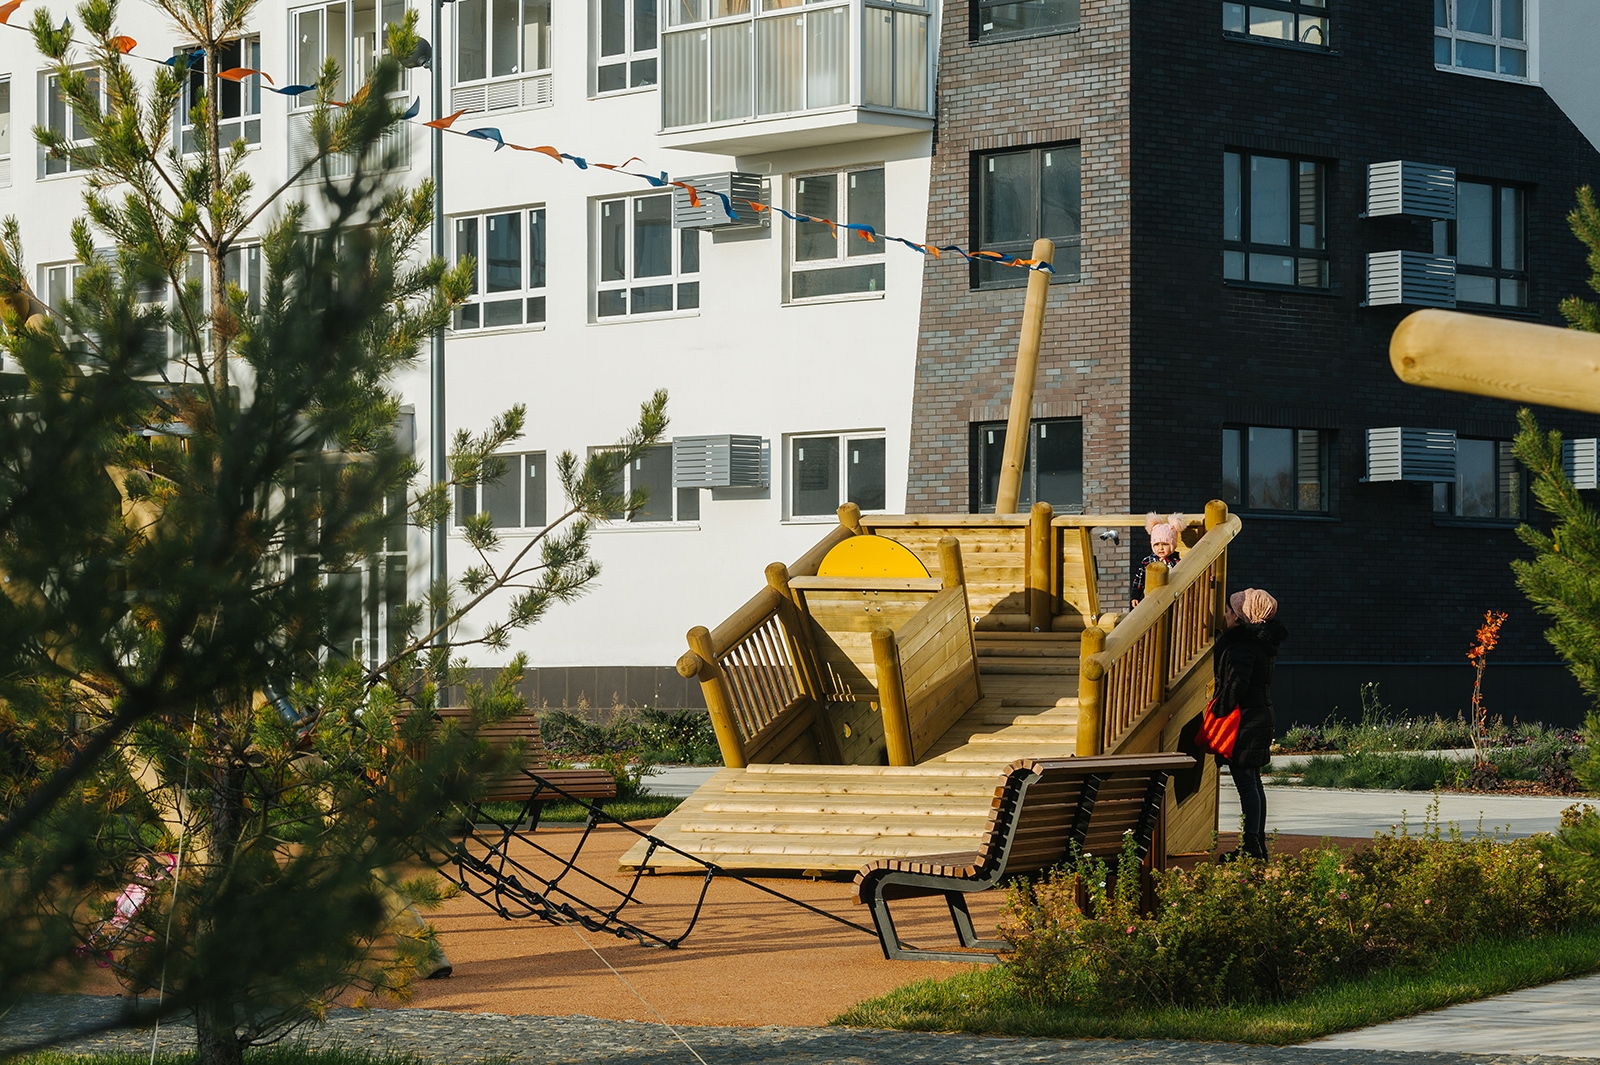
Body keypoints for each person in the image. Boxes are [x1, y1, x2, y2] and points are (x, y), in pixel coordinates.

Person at [1214, 587, 1286, 862]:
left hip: (1246, 720)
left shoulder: (1243, 646)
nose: (1225, 615)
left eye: (1229, 611)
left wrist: (1218, 709)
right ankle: (1256, 845)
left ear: (1240, 616)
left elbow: (1237, 684)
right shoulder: (1263, 644)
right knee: (1253, 783)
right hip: (1259, 716)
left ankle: (1251, 848)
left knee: (1246, 784)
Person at [1130, 512, 1185, 607]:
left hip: (1169, 598)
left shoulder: (1177, 562)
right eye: (1156, 544)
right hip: (1150, 598)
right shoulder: (1147, 561)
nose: (1160, 548)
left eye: (1165, 544)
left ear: (1172, 545)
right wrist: (1135, 596)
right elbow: (1139, 580)